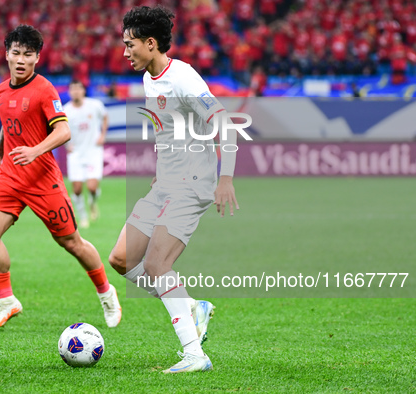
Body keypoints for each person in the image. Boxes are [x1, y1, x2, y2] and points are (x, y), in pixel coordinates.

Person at [109, 6, 240, 373]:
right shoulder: (151, 77)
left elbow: (223, 123)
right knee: (121, 259)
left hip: (193, 185)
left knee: (156, 264)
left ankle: (195, 355)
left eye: (130, 45)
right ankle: (193, 306)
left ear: (151, 44)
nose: (125, 52)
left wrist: (225, 177)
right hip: (166, 183)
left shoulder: (183, 77)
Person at [0, 25, 121, 331]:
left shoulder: (44, 90)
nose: (20, 59)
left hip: (43, 179)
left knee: (71, 242)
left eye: (27, 55)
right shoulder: (1, 91)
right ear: (6, 55)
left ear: (37, 58)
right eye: (15, 53)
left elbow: (63, 130)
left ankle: (106, 292)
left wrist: (35, 151)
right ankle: (7, 301)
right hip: (11, 177)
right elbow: (8, 123)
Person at [63, 80, 109, 228]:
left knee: (92, 187)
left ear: (83, 91)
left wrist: (102, 135)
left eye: (78, 89)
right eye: (73, 89)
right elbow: (59, 129)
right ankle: (82, 216)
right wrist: (65, 145)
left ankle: (93, 203)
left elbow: (105, 117)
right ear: (69, 92)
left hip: (93, 152)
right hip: (75, 154)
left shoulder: (95, 105)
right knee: (76, 189)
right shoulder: (66, 111)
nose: (75, 92)